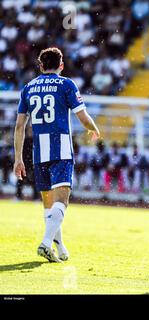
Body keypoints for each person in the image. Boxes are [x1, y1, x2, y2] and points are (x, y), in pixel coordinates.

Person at [13, 47, 100, 263]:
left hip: (37, 152)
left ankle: (59, 248)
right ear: (61, 66)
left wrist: (17, 158)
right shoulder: (66, 84)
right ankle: (45, 243)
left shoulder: (28, 87)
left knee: (48, 205)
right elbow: (82, 115)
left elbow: (19, 126)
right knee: (62, 200)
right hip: (60, 149)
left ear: (40, 66)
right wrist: (94, 128)